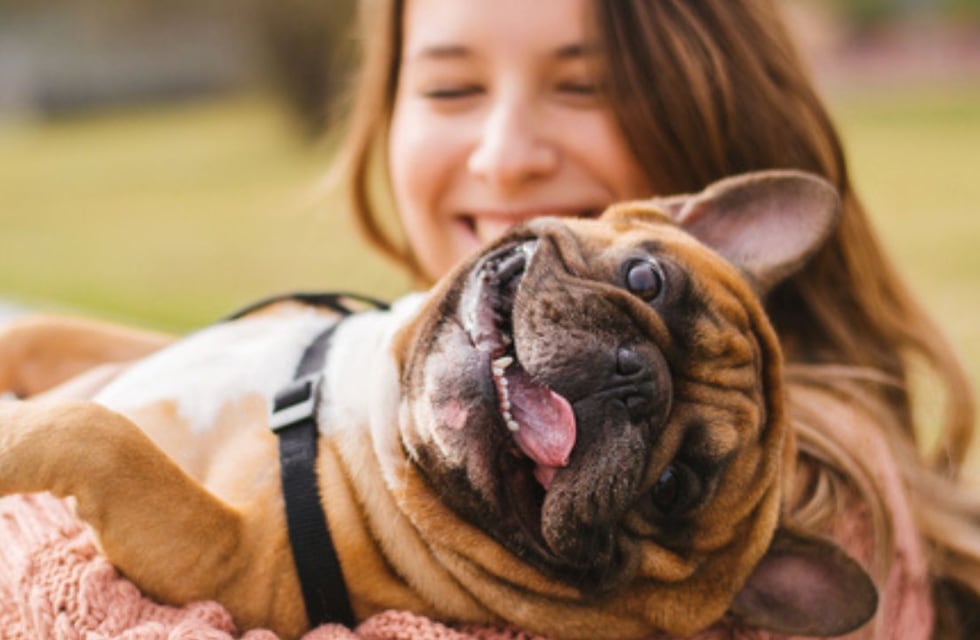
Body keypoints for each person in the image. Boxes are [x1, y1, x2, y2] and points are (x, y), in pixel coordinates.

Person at [332, 0, 980, 637]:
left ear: (722, 113)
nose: (504, 156)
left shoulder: (792, 500)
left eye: (584, 88)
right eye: (451, 89)